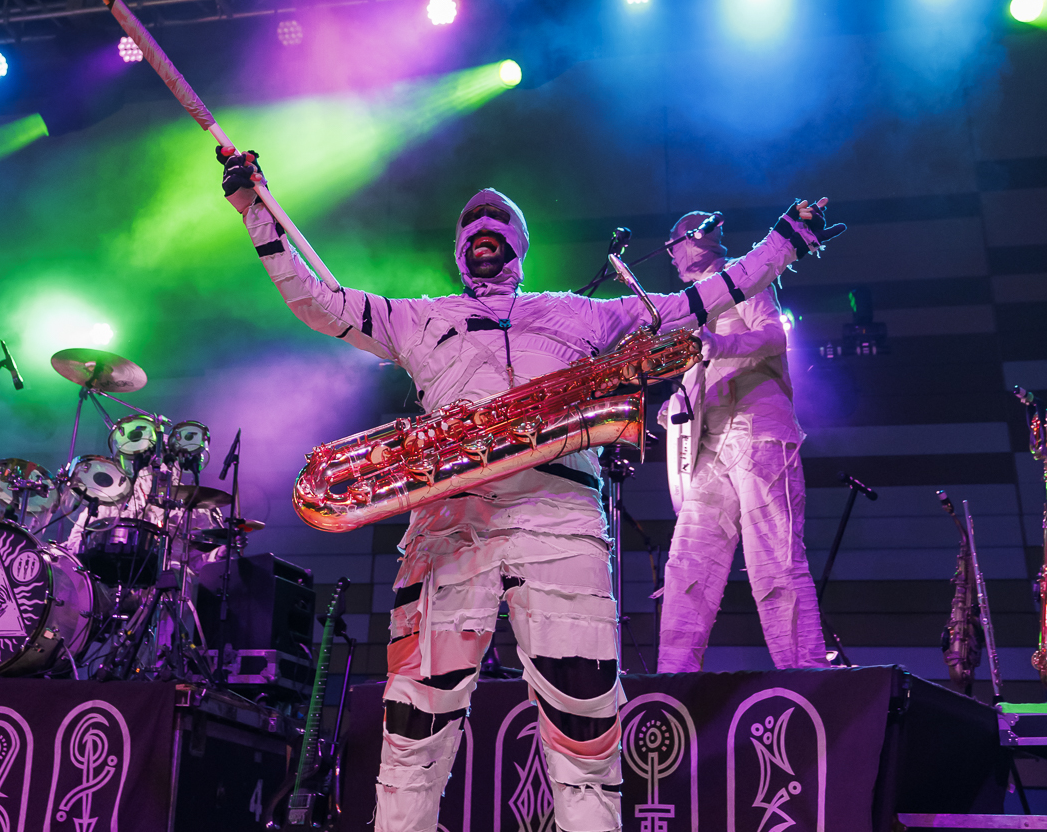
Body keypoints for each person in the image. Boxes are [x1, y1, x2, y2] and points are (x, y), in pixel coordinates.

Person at [218, 150, 843, 832]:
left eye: (498, 220)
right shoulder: (416, 317)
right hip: (448, 521)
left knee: (586, 727)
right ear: (459, 249)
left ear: (519, 244)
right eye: (471, 221)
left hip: (561, 514)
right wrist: (258, 212)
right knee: (414, 730)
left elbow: (690, 304)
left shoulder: (577, 313)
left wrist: (781, 245)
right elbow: (319, 302)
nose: (483, 223)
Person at [657, 211, 827, 673]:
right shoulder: (691, 305)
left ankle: (809, 681)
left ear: (694, 241)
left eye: (674, 244)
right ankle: (670, 686)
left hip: (758, 431)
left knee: (775, 558)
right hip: (712, 446)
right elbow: (703, 365)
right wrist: (678, 404)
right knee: (688, 566)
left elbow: (773, 335)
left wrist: (721, 347)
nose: (671, 256)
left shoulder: (741, 279)